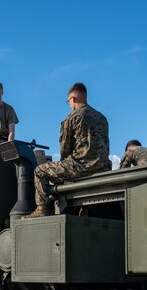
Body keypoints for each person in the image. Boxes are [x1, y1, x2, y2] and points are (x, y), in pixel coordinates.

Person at [25, 82, 111, 218]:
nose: (69, 105)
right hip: (103, 167)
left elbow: (65, 150)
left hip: (81, 166)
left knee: (40, 171)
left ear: (73, 99)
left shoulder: (73, 117)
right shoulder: (102, 118)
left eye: (68, 102)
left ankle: (42, 209)